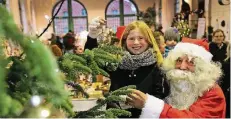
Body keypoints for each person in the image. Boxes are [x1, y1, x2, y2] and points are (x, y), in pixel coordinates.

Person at [85, 17, 169, 118]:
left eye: (141, 38)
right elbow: (92, 61)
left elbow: (162, 97)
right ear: (125, 41)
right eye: (131, 38)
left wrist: (143, 103)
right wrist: (92, 37)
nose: (136, 42)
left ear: (149, 41)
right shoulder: (115, 64)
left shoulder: (157, 67)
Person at [127, 42, 226, 118]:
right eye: (179, 60)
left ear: (202, 68)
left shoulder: (212, 92)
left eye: (190, 62)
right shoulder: (168, 83)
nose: (182, 67)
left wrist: (150, 105)